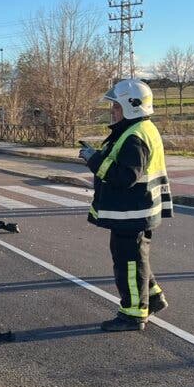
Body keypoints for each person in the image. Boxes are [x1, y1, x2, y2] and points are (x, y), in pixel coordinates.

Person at [80, 78, 172, 332]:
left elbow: (124, 177)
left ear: (132, 107)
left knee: (128, 264)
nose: (113, 111)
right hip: (136, 211)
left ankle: (132, 314)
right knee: (137, 259)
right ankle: (152, 298)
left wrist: (94, 160)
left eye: (117, 107)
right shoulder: (138, 129)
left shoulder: (135, 137)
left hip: (132, 213)